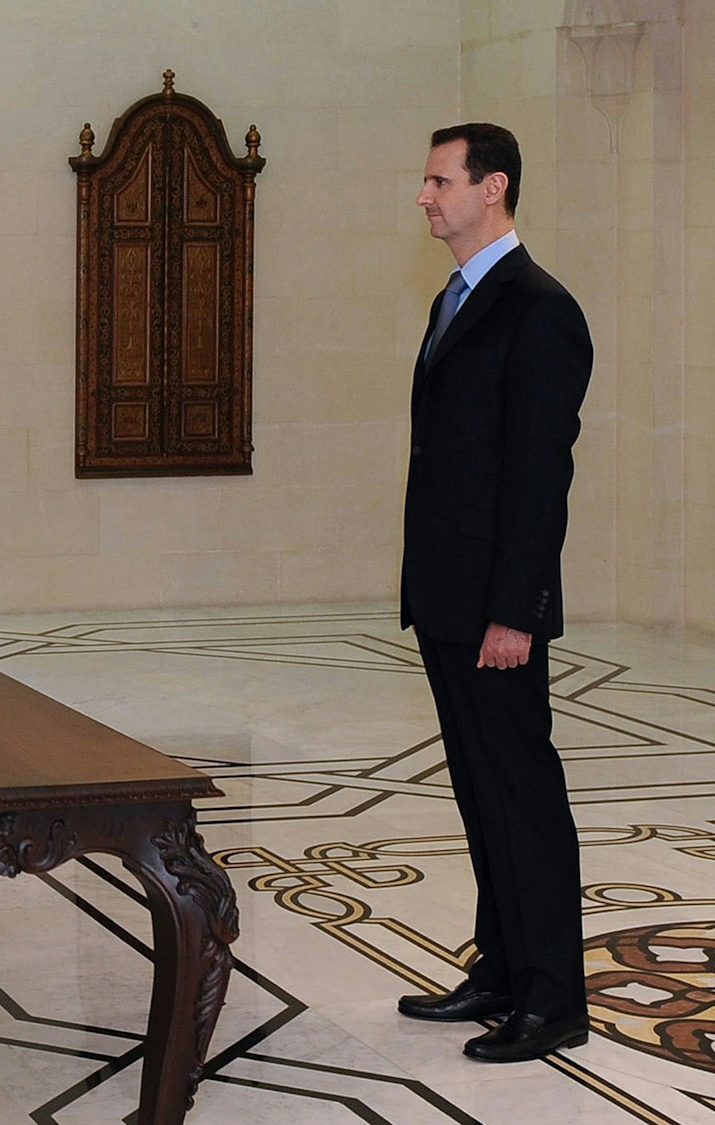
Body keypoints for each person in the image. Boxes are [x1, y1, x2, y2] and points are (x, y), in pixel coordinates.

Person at [395, 123, 593, 1063]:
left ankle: (553, 997)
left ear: (493, 188)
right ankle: (503, 971)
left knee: (521, 792)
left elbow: (536, 477)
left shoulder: (540, 308)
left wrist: (517, 610)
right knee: (479, 790)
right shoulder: (456, 296)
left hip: (495, 608)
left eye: (440, 180)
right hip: (445, 596)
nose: (426, 195)